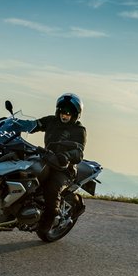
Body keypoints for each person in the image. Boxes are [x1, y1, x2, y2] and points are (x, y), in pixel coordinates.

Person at [27, 93, 87, 233]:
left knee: (52, 187)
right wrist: (10, 123)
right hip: (47, 160)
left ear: (75, 115)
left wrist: (66, 155)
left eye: (68, 113)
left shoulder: (79, 130)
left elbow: (79, 152)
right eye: (62, 111)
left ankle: (49, 218)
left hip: (64, 168)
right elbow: (32, 125)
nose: (64, 115)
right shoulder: (51, 121)